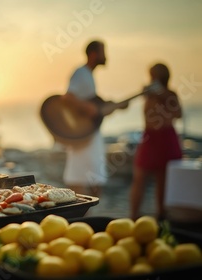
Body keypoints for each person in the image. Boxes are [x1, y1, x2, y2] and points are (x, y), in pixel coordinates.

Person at [61, 40, 127, 198]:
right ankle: (79, 217)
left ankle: (86, 216)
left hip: (90, 135)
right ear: (94, 54)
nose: (106, 56)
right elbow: (67, 98)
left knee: (95, 179)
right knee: (78, 179)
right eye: (103, 52)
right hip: (82, 137)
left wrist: (114, 106)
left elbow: (94, 108)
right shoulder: (81, 73)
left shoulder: (88, 75)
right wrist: (87, 108)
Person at [129, 63, 182, 220]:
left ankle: (161, 216)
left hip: (166, 139)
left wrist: (161, 93)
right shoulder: (149, 94)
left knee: (163, 181)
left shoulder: (170, 94)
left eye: (153, 76)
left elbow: (178, 113)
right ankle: (133, 216)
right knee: (139, 178)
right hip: (149, 138)